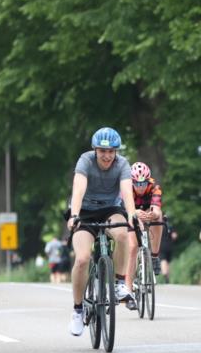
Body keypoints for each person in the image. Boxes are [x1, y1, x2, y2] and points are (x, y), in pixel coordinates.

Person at [66, 127, 142, 336]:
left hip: (110, 209)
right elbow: (78, 188)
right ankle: (78, 310)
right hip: (85, 211)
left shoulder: (122, 164)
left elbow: (127, 192)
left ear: (116, 151)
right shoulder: (85, 161)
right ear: (95, 150)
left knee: (123, 234)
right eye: (102, 151)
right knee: (82, 259)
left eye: (111, 152)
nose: (107, 156)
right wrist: (74, 215)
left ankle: (118, 283)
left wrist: (132, 215)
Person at [125, 162, 164, 294]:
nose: (140, 187)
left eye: (143, 183)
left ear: (148, 181)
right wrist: (135, 213)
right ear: (132, 182)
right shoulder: (126, 188)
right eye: (137, 183)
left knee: (159, 217)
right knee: (132, 248)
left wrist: (153, 214)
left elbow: (156, 209)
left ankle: (154, 256)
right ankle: (127, 288)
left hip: (147, 211)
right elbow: (124, 209)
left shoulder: (155, 188)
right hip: (131, 213)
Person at [159, 217, 178, 284]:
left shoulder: (159, 226)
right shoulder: (170, 226)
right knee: (168, 261)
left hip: (161, 246)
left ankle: (165, 274)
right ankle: (167, 276)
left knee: (163, 260)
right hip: (169, 246)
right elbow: (174, 236)